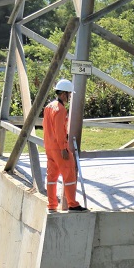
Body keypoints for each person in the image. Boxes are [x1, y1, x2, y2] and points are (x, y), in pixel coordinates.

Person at [43, 78, 88, 213]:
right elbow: (59, 130)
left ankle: (51, 205)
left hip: (49, 147)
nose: (69, 97)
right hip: (59, 147)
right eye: (69, 94)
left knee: (52, 176)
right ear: (63, 94)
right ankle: (72, 204)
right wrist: (64, 148)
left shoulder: (48, 107)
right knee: (69, 175)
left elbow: (46, 127)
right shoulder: (60, 109)